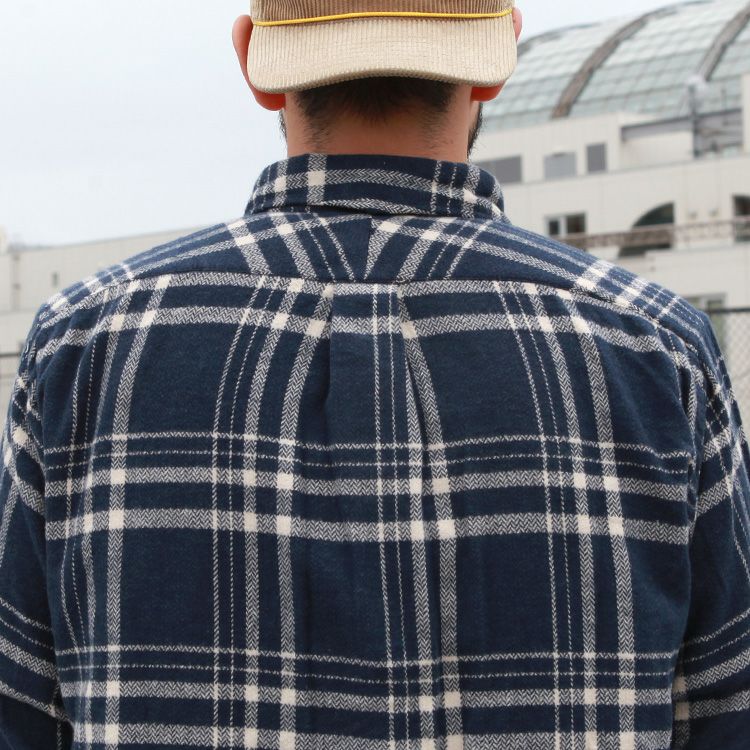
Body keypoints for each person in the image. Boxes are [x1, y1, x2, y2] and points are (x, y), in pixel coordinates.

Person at [1, 1, 748, 747]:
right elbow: (727, 707)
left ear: (255, 61)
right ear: (498, 59)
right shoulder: (656, 346)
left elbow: (20, 710)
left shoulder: (82, 343)